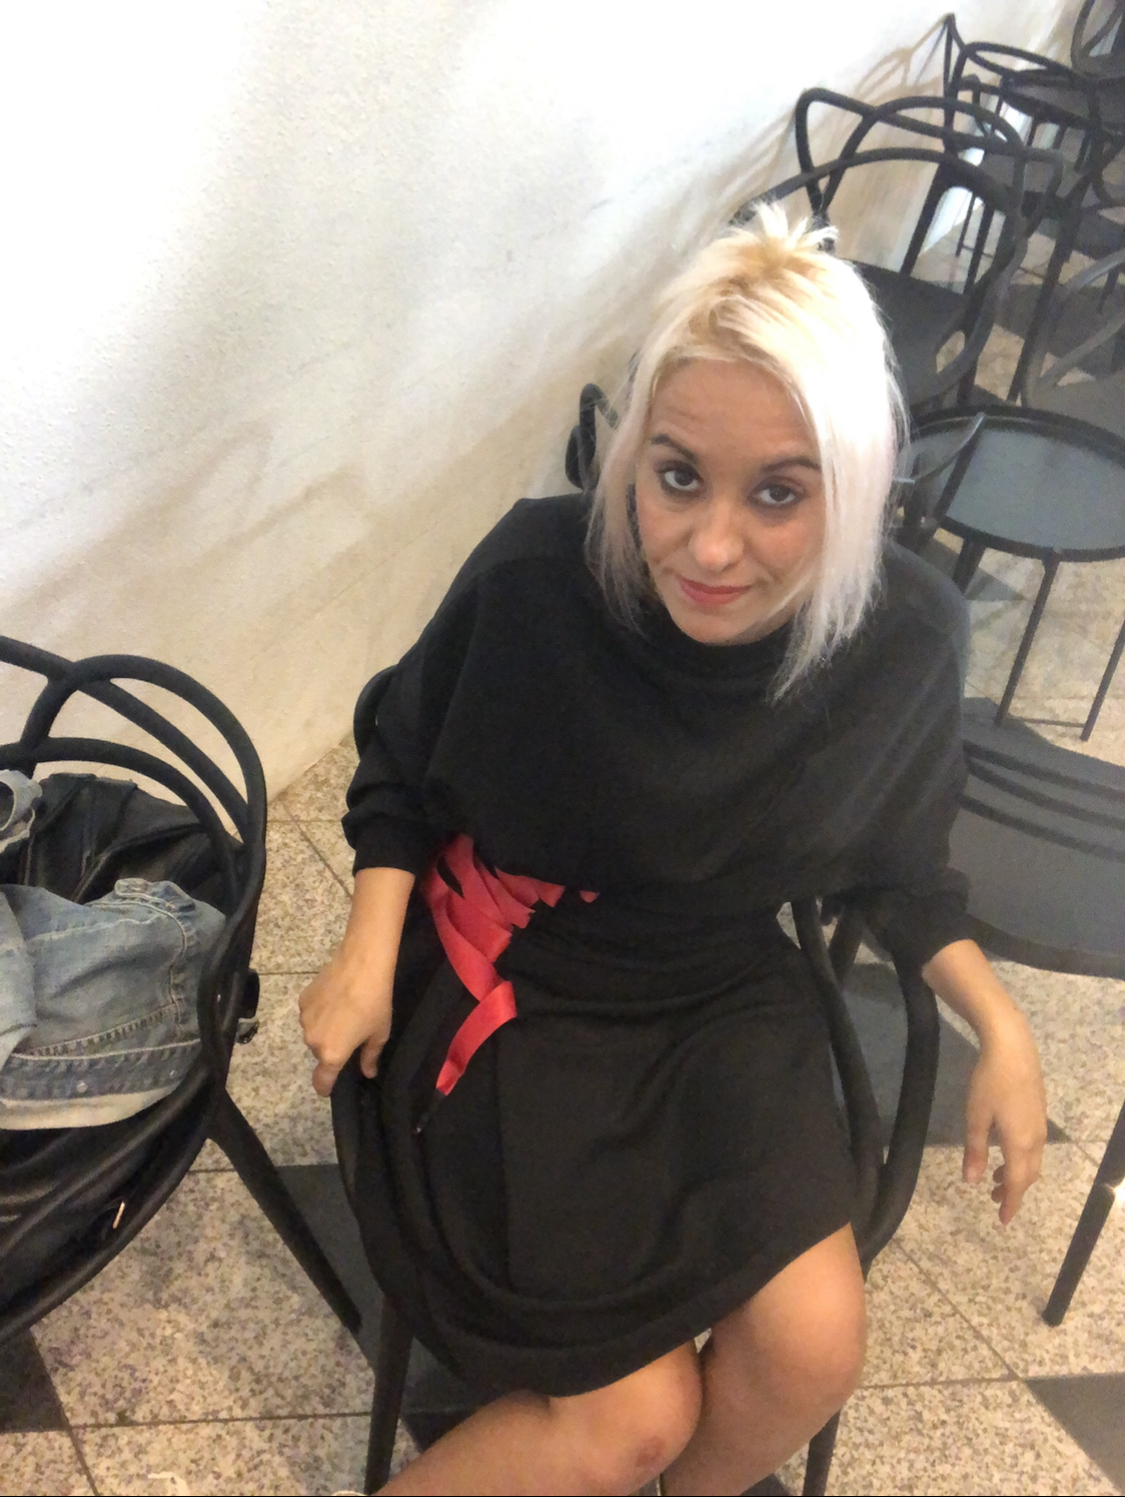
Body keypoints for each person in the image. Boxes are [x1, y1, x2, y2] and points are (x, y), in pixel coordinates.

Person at [299, 207, 1047, 1496]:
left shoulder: (903, 638)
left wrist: (1001, 1023)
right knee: (632, 1416)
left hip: (715, 992)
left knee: (814, 1351)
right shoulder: (541, 577)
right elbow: (403, 764)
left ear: (853, 488)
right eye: (678, 476)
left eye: (779, 494)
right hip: (515, 982)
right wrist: (367, 952)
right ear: (633, 455)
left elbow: (902, 869)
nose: (710, 546)